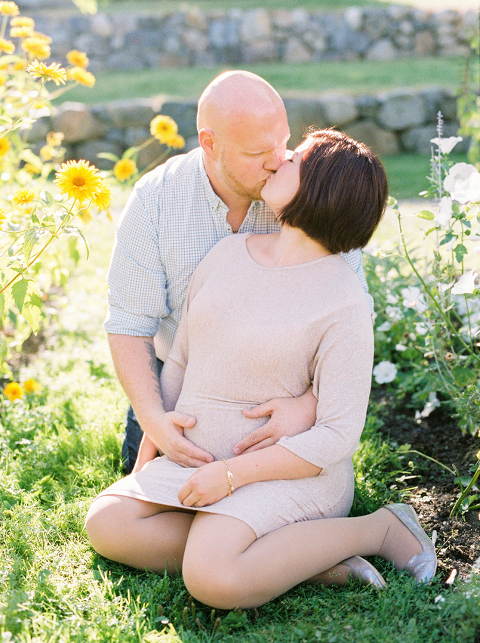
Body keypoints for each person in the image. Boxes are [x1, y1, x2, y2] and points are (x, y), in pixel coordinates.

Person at [86, 129, 437, 609]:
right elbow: (183, 358)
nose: (279, 161)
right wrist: (157, 435)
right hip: (204, 459)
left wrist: (232, 476)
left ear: (321, 189)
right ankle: (299, 561)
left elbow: (337, 434)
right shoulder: (228, 254)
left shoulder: (344, 301)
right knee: (107, 522)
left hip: (286, 473)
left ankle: (376, 529)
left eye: (295, 159)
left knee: (212, 578)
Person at [105, 70, 374, 473]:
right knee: (152, 512)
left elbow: (353, 318)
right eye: (256, 154)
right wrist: (154, 419)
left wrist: (308, 406)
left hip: (281, 392)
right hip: (180, 390)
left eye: (283, 143)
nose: (277, 160)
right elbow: (129, 324)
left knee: (266, 511)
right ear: (210, 145)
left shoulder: (300, 197)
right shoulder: (156, 200)